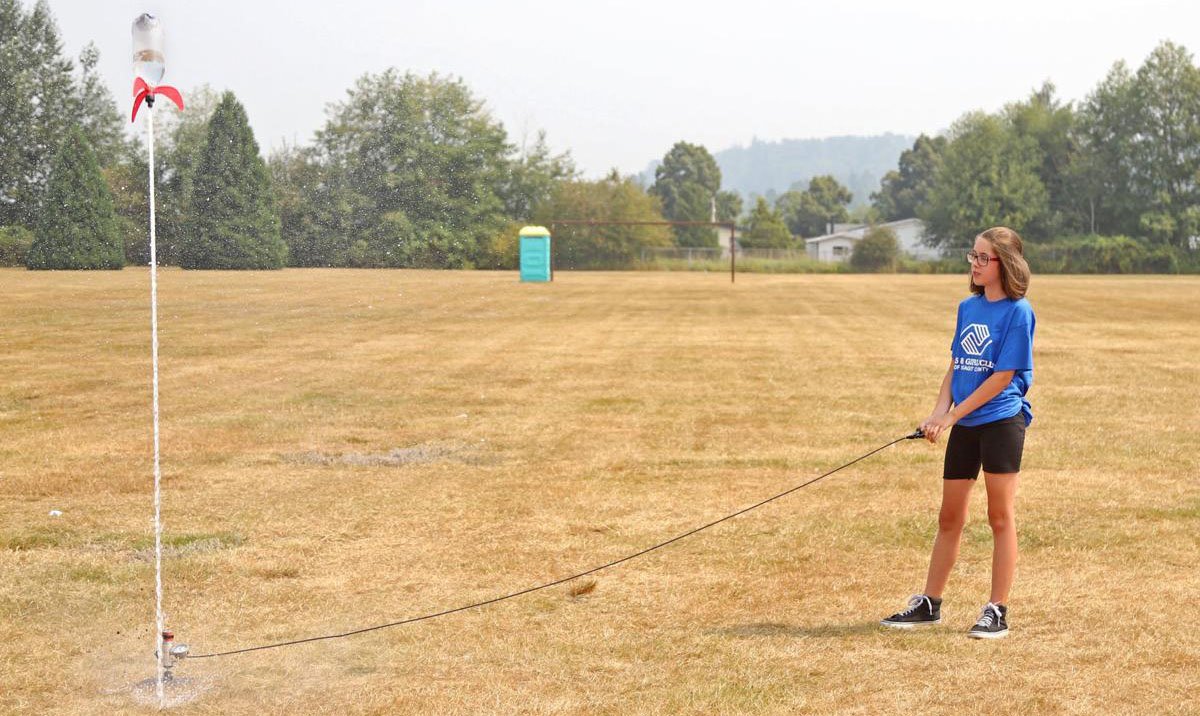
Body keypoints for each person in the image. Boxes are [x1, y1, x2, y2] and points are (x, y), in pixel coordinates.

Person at [880, 226, 1036, 639]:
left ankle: (996, 610)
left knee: (999, 516)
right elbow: (957, 365)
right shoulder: (968, 308)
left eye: (984, 258)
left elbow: (1002, 377)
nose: (975, 264)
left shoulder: (1019, 313)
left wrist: (951, 418)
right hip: (964, 423)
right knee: (949, 517)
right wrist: (937, 412)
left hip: (1001, 422)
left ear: (1006, 263)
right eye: (974, 256)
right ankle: (930, 603)